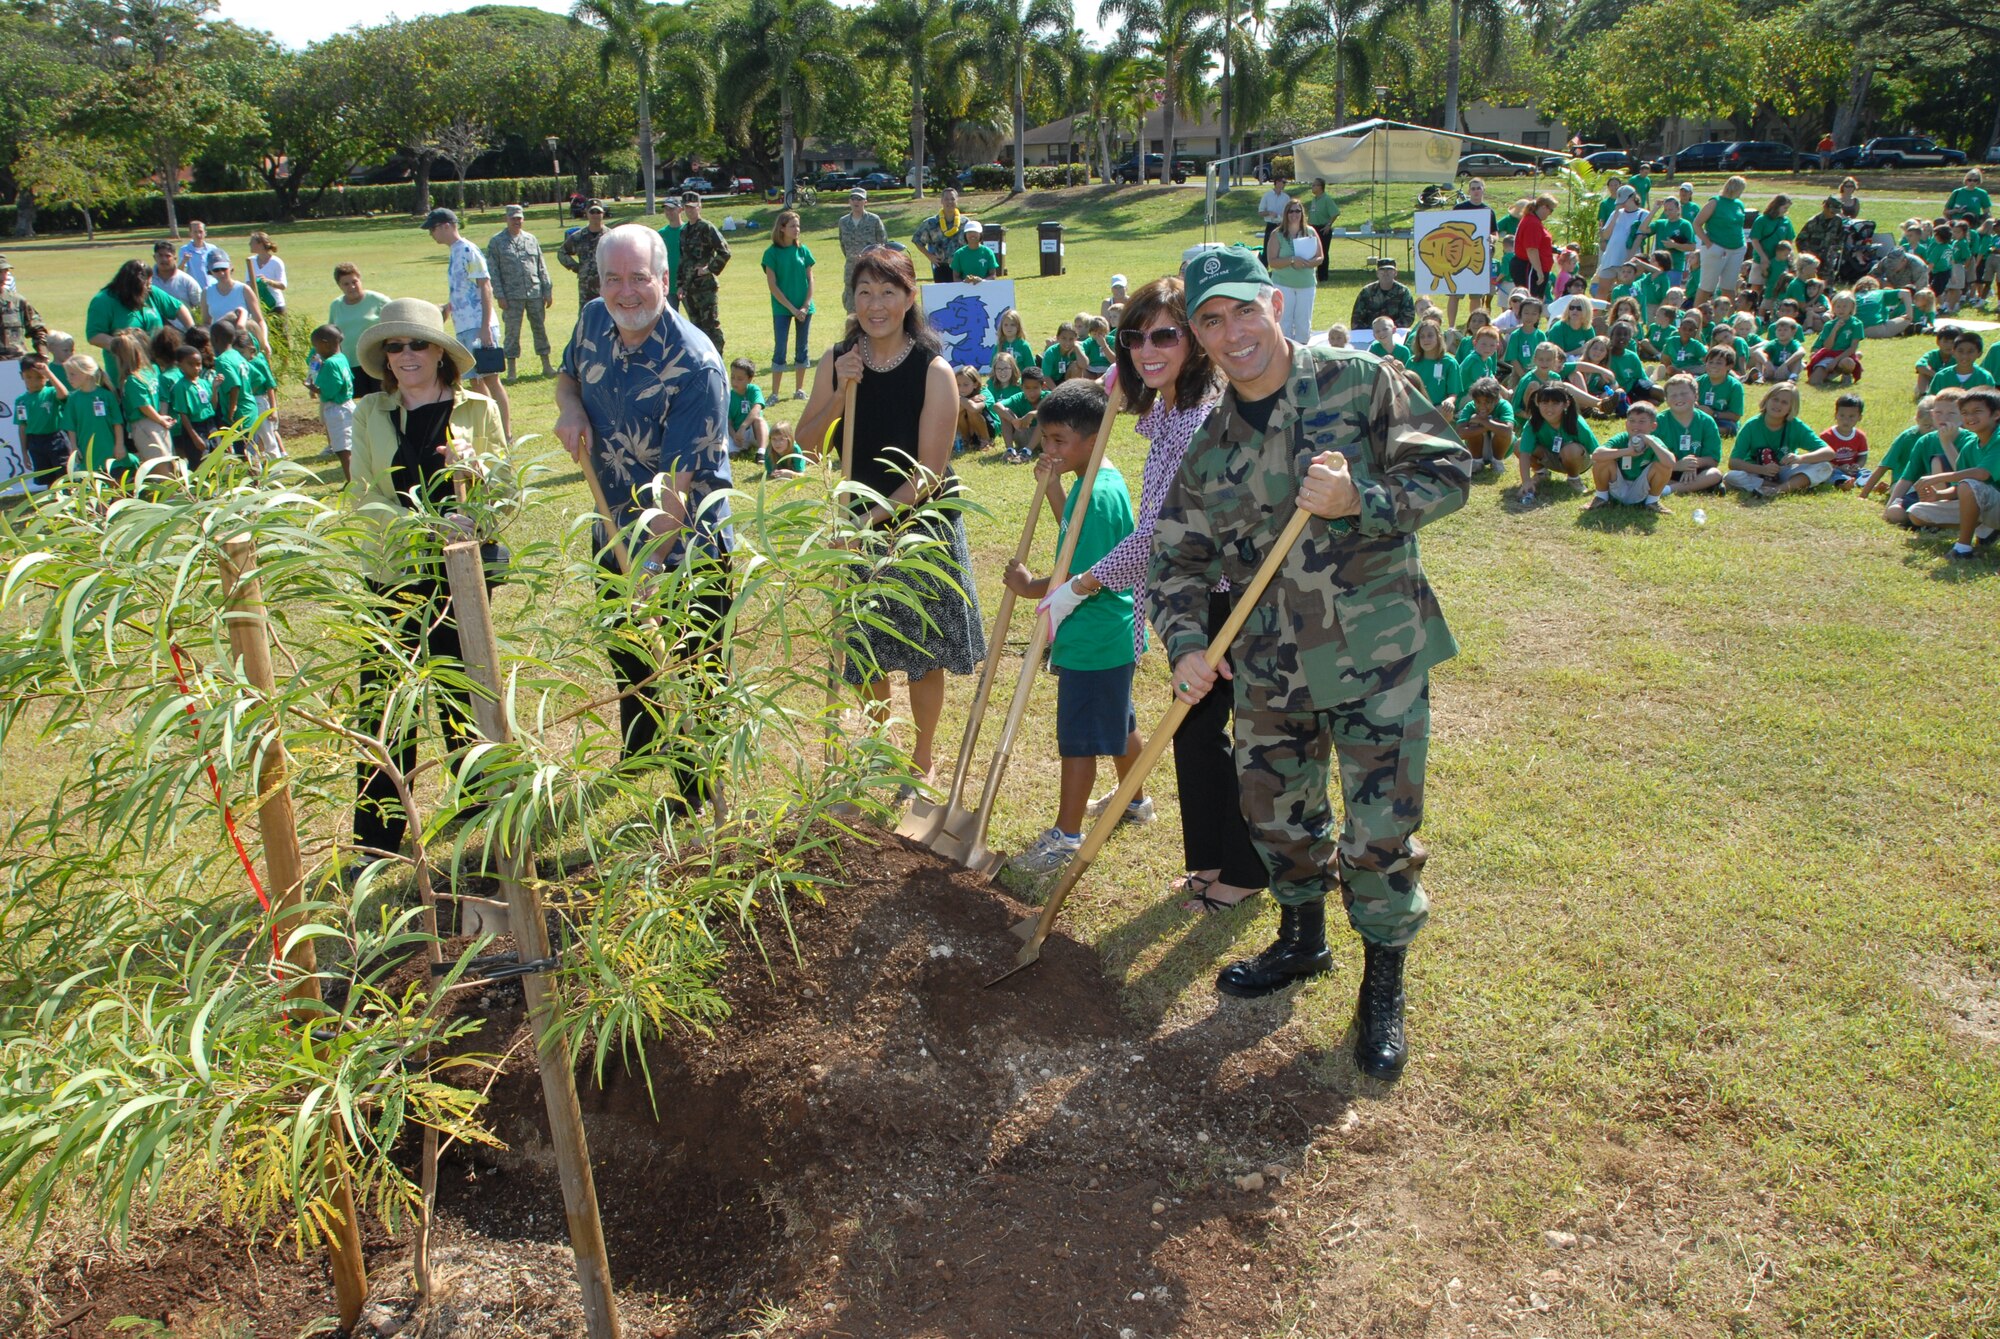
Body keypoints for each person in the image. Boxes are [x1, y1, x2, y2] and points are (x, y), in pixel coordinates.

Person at [1151, 245, 1470, 1080]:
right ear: (1197, 334)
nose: (1233, 333)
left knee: (1379, 835)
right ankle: (1302, 940)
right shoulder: (1209, 445)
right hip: (1269, 670)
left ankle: (1382, 985)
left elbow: (1449, 469)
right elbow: (1177, 562)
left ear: (1275, 304)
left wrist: (1360, 499)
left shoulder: (1359, 381)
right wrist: (1187, 644)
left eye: (1244, 310)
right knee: (1278, 818)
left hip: (1378, 656)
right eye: (1211, 321)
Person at [1078, 275, 1264, 907]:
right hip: (1194, 596)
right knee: (1195, 730)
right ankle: (1210, 863)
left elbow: (1158, 534)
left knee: (1230, 734)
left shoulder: (1196, 417)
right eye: (1134, 337)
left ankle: (1240, 871)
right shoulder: (1173, 407)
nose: (1146, 349)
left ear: (1196, 339)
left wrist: (1085, 582)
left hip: (1226, 594)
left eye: (1164, 335)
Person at [552, 226, 737, 806]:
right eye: (613, 279)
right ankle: (643, 746)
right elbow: (567, 377)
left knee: (693, 668)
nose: (625, 291)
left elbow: (675, 491)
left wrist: (648, 574)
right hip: (613, 523)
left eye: (639, 278)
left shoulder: (695, 365)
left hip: (685, 546)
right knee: (629, 651)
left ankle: (696, 793)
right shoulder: (590, 321)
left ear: (664, 280)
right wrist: (570, 409)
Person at [793, 244, 985, 786]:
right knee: (868, 649)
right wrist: (839, 392)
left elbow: (928, 472)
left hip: (918, 528)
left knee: (923, 653)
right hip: (858, 525)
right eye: (864, 292)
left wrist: (869, 521)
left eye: (888, 292)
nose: (875, 304)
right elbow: (805, 448)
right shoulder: (837, 359)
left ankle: (921, 758)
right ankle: (880, 748)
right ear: (852, 298)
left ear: (909, 298)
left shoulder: (935, 370)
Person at [346, 298, 503, 859]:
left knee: (465, 690)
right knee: (386, 702)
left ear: (441, 352)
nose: (406, 355)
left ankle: (484, 816)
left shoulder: (477, 411)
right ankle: (382, 838)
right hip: (393, 574)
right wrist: (428, 526)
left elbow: (505, 495)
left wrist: (477, 479)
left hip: (461, 575)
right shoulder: (369, 413)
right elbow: (364, 498)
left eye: (418, 343)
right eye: (395, 346)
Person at [1003, 379, 1146, 875]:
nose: (1050, 448)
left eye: (1060, 440)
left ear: (1094, 438)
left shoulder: (1101, 495)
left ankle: (1066, 836)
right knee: (1118, 720)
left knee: (1081, 737)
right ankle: (1135, 801)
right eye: (1045, 439)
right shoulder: (1094, 479)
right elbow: (1074, 532)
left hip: (1095, 633)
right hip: (1110, 633)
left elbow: (1087, 577)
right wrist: (1056, 486)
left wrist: (1029, 586)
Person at [423, 206, 511, 440]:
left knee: (491, 378)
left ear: (446, 226)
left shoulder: (468, 249)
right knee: (474, 381)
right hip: (464, 326)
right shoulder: (454, 252)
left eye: (433, 229)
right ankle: (486, 430)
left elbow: (485, 286)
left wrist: (485, 328)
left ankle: (506, 431)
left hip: (478, 325)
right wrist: (447, 308)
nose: (431, 234)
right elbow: (463, 290)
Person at [1905, 388, 2000, 559]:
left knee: (1968, 483)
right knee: (1916, 512)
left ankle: (1963, 548)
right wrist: (1939, 494)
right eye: (1965, 413)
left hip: (1995, 505)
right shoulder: (1971, 446)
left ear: (1996, 415)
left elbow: (1981, 474)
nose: (1970, 417)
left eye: (1977, 411)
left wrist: (1937, 478)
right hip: (1986, 506)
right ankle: (1984, 528)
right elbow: (1963, 489)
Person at [487, 204, 556, 382]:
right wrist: (500, 295)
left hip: (534, 293)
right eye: (513, 218)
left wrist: (547, 290)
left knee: (540, 329)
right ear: (506, 219)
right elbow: (493, 271)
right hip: (511, 296)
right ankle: (511, 370)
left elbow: (541, 266)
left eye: (519, 218)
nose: (517, 221)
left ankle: (546, 365)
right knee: (512, 332)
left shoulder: (531, 239)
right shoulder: (497, 242)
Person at [1723, 382, 1827, 497]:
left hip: (1785, 469)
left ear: (1791, 408)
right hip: (1756, 471)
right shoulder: (1751, 425)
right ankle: (1788, 485)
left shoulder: (1795, 426)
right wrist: (1763, 470)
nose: (1778, 405)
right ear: (1766, 400)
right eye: (1775, 399)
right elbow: (1733, 462)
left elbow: (1829, 452)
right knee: (1732, 476)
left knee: (1825, 466)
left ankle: (1777, 490)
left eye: (1784, 402)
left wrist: (1800, 458)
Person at [762, 209, 816, 400]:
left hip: (804, 308)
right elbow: (773, 286)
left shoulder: (803, 250)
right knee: (780, 348)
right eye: (793, 226)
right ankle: (775, 393)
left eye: (798, 226)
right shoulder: (771, 253)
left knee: (802, 347)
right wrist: (792, 309)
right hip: (782, 309)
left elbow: (810, 279)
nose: (797, 229)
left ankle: (799, 389)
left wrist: (805, 305)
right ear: (782, 228)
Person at [1515, 382, 1597, 502]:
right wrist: (1526, 482)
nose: (1549, 408)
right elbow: (1525, 453)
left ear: (1566, 404)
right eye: (1544, 402)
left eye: (1555, 403)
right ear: (1537, 403)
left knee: (1570, 450)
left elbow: (1597, 452)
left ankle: (1574, 478)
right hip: (1551, 457)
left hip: (1578, 460)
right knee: (1518, 444)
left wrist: (1605, 483)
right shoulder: (1534, 423)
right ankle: (1541, 473)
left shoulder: (1576, 422)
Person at [85, 259, 192, 351]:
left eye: (150, 285)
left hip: (158, 364)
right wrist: (126, 347)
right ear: (133, 285)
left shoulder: (151, 292)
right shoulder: (103, 301)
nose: (149, 289)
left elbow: (178, 308)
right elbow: (94, 335)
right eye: (146, 285)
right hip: (125, 367)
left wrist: (191, 331)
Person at [1587, 401, 1675, 511]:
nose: (1636, 425)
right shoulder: (1622, 438)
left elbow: (1671, 463)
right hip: (1618, 484)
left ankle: (1652, 502)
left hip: (1642, 487)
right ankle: (1601, 497)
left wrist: (1651, 442)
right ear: (1626, 423)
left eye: (1642, 421)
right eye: (1632, 421)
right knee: (1604, 459)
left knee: (1663, 465)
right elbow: (1596, 455)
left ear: (1653, 426)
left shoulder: (1655, 441)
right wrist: (1627, 451)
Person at [60, 354, 135, 480]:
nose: (68, 378)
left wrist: (120, 445)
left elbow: (117, 423)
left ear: (87, 373)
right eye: (67, 374)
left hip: (109, 449)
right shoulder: (73, 399)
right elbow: (70, 427)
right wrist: (74, 448)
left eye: (72, 374)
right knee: (94, 486)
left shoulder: (106, 395)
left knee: (115, 483)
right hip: (87, 452)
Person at [105, 332, 172, 468]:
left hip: (144, 425)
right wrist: (162, 417)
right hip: (159, 420)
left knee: (159, 469)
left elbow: (143, 406)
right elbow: (162, 397)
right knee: (168, 462)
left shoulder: (132, 380)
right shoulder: (151, 371)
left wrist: (160, 419)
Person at [677, 191, 731, 353]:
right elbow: (683, 260)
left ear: (700, 207)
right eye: (686, 207)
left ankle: (717, 357)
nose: (690, 211)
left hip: (705, 287)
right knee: (695, 328)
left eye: (693, 207)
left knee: (710, 325)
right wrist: (680, 285)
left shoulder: (706, 227)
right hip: (689, 288)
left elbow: (725, 252)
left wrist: (709, 269)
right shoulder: (684, 231)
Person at [329, 264, 392, 397]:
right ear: (339, 285)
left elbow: (395, 325)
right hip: (350, 363)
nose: (351, 287)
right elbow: (331, 333)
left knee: (383, 399)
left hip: (375, 361)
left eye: (354, 282)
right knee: (361, 403)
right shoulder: (336, 305)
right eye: (346, 284)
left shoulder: (379, 300)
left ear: (360, 280)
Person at [1657, 373, 1724, 495]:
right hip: (1667, 470)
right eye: (1673, 395)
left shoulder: (1706, 421)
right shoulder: (1658, 422)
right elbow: (1649, 458)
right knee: (1649, 473)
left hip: (1697, 470)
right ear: (1666, 399)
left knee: (1715, 474)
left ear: (1695, 396)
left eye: (1683, 393)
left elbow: (1712, 460)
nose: (1679, 398)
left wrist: (1692, 464)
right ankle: (1693, 487)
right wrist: (1677, 466)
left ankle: (1669, 489)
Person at [1268, 198, 1323, 343]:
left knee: (1303, 324)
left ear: (1302, 213)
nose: (1294, 214)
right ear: (1286, 214)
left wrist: (1308, 263)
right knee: (1284, 322)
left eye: (1298, 211)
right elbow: (1272, 262)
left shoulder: (1310, 232)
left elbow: (1320, 257)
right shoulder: (1277, 234)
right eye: (1291, 211)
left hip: (1306, 284)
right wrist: (1292, 260)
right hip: (1283, 285)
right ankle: (1284, 355)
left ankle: (1302, 354)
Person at [308, 323, 356, 484]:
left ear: (325, 343)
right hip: (348, 405)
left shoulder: (329, 364)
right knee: (351, 446)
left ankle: (352, 482)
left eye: (316, 346)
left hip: (337, 408)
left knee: (343, 450)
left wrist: (314, 388)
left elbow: (331, 390)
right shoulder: (341, 357)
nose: (316, 350)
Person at [1693, 176, 1750, 304]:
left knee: (1729, 287)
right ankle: (1696, 315)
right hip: (1716, 247)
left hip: (1737, 248)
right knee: (1707, 287)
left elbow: (1739, 224)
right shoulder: (1715, 202)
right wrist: (1708, 243)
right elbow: (1697, 223)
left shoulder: (1739, 204)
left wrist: (1743, 244)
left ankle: (1727, 318)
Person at [13, 353, 68, 481]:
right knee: (47, 477)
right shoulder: (21, 401)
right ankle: (54, 499)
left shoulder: (51, 392)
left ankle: (69, 497)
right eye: (29, 377)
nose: (34, 382)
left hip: (56, 439)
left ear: (45, 377)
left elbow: (64, 394)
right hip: (35, 442)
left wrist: (49, 373)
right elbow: (22, 427)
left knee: (64, 475)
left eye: (39, 377)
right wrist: (24, 452)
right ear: (22, 376)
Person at [837, 188, 888, 312]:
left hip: (870, 268)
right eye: (853, 199)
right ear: (849, 201)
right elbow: (843, 245)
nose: (856, 202)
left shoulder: (874, 220)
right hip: (851, 268)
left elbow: (883, 243)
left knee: (870, 299)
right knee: (851, 302)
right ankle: (853, 328)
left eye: (859, 199)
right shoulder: (843, 222)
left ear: (865, 202)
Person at [1596, 186, 1649, 300]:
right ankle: (1598, 316)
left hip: (1627, 259)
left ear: (1633, 197)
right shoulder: (1617, 213)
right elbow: (1606, 235)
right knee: (1602, 290)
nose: (1622, 204)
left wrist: (1629, 260)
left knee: (1623, 292)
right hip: (1610, 258)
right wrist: (1615, 214)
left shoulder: (1643, 214)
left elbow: (1639, 237)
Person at [200, 256, 265, 345]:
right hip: (220, 343)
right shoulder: (206, 292)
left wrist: (264, 342)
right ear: (210, 271)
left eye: (224, 269)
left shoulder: (244, 289)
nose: (221, 273)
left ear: (230, 268)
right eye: (216, 270)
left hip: (243, 342)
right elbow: (206, 322)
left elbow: (259, 320)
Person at [1806, 292, 1865, 387]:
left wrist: (1836, 360)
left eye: (1845, 306)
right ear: (1833, 308)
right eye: (1838, 306)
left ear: (1851, 308)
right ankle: (1831, 373)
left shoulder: (1857, 324)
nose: (1841, 309)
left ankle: (1846, 373)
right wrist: (1834, 330)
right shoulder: (1829, 325)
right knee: (1814, 381)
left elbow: (1852, 348)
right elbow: (1827, 346)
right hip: (1829, 354)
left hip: (1845, 355)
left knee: (1848, 362)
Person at [1455, 375, 1514, 471]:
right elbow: (1459, 433)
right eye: (1478, 402)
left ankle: (1497, 462)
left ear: (1496, 400)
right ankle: (1477, 461)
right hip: (1478, 447)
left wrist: (1482, 421)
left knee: (1501, 430)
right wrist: (1488, 425)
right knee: (1474, 427)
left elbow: (1507, 431)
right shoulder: (1470, 407)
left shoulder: (1504, 405)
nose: (1482, 406)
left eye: (1487, 402)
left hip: (1502, 448)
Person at [911, 187, 968, 284]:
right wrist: (929, 256)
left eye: (952, 199)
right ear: (941, 201)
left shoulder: (965, 222)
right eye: (946, 199)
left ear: (957, 201)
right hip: (941, 267)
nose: (949, 202)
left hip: (961, 266)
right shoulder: (931, 223)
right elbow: (917, 240)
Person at [559, 199, 610, 305]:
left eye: (598, 212)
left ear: (603, 213)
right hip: (586, 287)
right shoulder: (578, 237)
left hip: (607, 284)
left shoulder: (611, 236)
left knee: (610, 315)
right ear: (586, 213)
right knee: (585, 316)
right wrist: (577, 268)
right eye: (592, 212)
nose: (595, 215)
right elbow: (562, 253)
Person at [1747, 195, 1794, 299]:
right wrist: (1763, 257)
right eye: (1784, 208)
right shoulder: (1762, 220)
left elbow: (1790, 240)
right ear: (1777, 206)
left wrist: (1790, 255)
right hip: (1761, 259)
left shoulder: (1786, 221)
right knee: (1757, 287)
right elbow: (1755, 240)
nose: (1786, 211)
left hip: (1779, 261)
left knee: (1777, 286)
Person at [1349, 258, 1415, 332]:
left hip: (1395, 332)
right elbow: (1356, 319)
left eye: (1389, 270)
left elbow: (1408, 317)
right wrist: (1374, 330)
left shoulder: (1403, 292)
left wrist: (1388, 329)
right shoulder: (1367, 291)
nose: (1385, 273)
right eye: (1382, 270)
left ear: (1395, 273)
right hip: (1370, 332)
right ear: (1377, 273)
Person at [0, 255, 46, 360]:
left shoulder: (17, 301)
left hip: (15, 361)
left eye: (5, 272)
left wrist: (42, 354)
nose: (4, 277)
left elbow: (37, 328)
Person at [727, 356, 770, 462]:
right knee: (732, 455)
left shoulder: (754, 390)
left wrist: (743, 427)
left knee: (759, 420)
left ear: (750, 379)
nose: (735, 382)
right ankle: (738, 448)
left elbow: (757, 408)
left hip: (753, 431)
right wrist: (735, 435)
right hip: (737, 434)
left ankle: (761, 451)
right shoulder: (728, 396)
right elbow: (728, 422)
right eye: (732, 377)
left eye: (740, 379)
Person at [1820, 391, 1868, 485]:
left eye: (1851, 416)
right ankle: (1843, 484)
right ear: (1836, 415)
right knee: (1829, 473)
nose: (1846, 420)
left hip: (1852, 470)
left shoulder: (1860, 436)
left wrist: (1857, 466)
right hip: (1834, 469)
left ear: (1860, 417)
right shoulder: (1827, 436)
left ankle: (1869, 484)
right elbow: (1821, 459)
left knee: (1865, 473)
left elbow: (1863, 456)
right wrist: (1838, 468)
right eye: (1842, 415)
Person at [1512, 194, 1557, 295]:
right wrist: (1539, 271)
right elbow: (1531, 249)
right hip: (1529, 267)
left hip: (1532, 267)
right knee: (1529, 301)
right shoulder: (1532, 223)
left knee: (1535, 302)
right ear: (1544, 207)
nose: (1550, 214)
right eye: (1551, 210)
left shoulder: (1534, 220)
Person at [149, 242, 204, 324]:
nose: (163, 259)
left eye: (167, 256)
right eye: (160, 255)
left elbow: (200, 307)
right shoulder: (147, 281)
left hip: (183, 332)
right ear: (154, 257)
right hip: (154, 332)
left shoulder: (187, 281)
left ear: (175, 258)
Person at [247, 232, 287, 335]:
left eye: (252, 242)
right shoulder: (250, 261)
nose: (249, 244)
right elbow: (247, 282)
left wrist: (268, 281)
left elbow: (283, 285)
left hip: (275, 305)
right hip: (258, 305)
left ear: (260, 244)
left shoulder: (276, 262)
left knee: (280, 337)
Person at [656, 196, 685, 311]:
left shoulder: (689, 230)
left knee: (697, 322)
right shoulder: (661, 234)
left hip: (688, 283)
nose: (668, 212)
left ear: (680, 210)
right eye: (666, 209)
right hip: (669, 285)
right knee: (670, 320)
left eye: (671, 209)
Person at [176, 221, 223, 286]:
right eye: (195, 232)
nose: (198, 235)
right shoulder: (184, 249)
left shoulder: (212, 248)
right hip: (195, 288)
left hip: (212, 287)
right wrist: (184, 261)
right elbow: (179, 272)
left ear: (205, 233)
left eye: (200, 231)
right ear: (190, 234)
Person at [1257, 173, 1292, 249]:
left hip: (1282, 226)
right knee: (1268, 249)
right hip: (1270, 225)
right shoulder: (1267, 195)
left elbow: (1289, 212)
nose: (1284, 184)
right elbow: (1260, 212)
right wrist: (1269, 213)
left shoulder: (1286, 197)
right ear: (1277, 182)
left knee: (1281, 249)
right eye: (1283, 182)